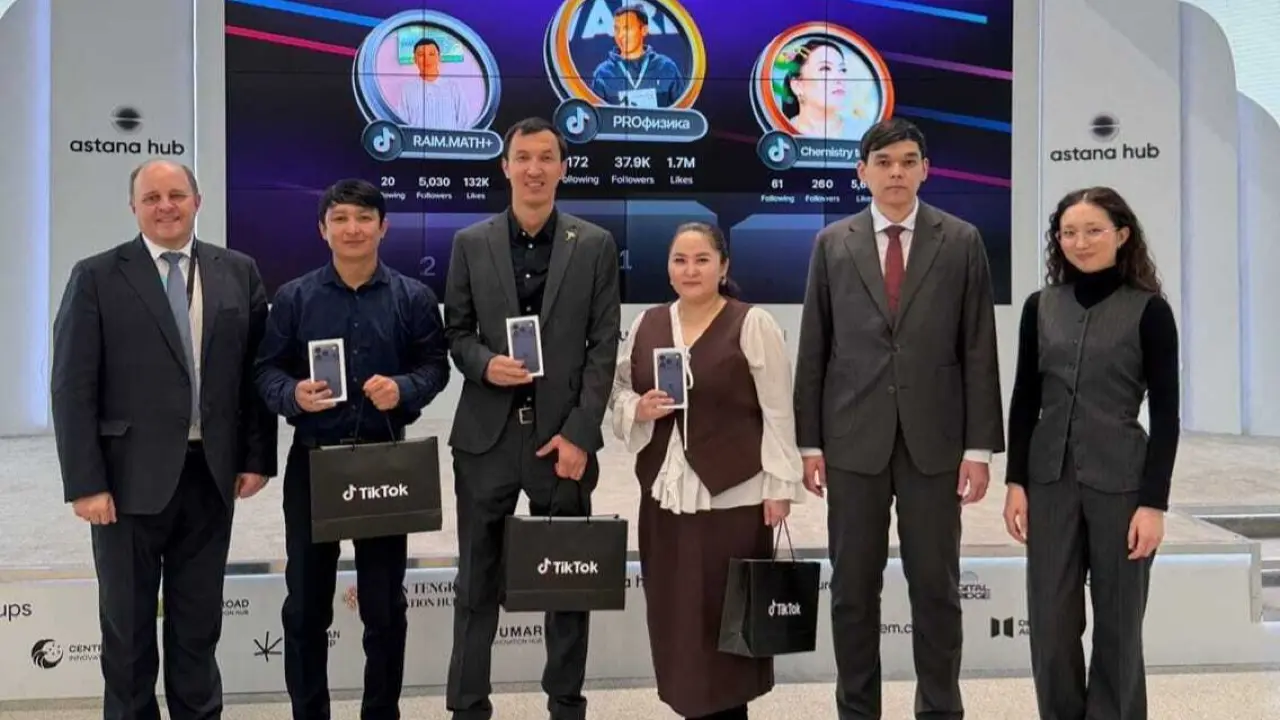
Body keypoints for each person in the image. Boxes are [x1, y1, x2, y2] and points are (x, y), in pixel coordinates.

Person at [49, 159, 277, 720]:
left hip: (211, 476)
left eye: (176, 194)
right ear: (134, 207)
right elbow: (72, 386)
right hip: (125, 482)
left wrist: (256, 457)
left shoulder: (239, 271)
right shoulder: (96, 275)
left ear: (198, 201)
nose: (165, 206)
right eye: (151, 198)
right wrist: (85, 483)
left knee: (198, 625)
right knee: (127, 631)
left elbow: (256, 371)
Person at [793, 117, 1004, 720]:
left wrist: (979, 449)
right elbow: (815, 347)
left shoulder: (960, 240)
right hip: (851, 442)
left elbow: (978, 347)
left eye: (908, 162)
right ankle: (857, 710)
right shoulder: (832, 243)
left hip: (934, 445)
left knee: (936, 588)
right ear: (862, 171)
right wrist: (809, 444)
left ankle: (940, 709)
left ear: (925, 170)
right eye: (883, 163)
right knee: (853, 591)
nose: (896, 173)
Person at [443, 116, 621, 720]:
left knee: (568, 583)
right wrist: (484, 365)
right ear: (506, 167)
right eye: (523, 157)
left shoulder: (594, 244)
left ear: (563, 168)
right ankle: (468, 707)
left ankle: (566, 706)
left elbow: (604, 346)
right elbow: (457, 332)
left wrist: (580, 435)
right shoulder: (470, 242)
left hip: (561, 442)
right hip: (485, 440)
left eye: (547, 157)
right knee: (475, 584)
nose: (535, 168)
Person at [253, 178, 450, 720]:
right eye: (340, 219)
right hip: (314, 462)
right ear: (323, 229)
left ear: (383, 227)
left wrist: (404, 389)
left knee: (384, 608)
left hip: (385, 462)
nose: (353, 229)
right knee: (305, 606)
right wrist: (292, 394)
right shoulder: (294, 298)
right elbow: (266, 370)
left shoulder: (414, 297)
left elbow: (435, 366)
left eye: (364, 218)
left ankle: (380, 712)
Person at [609, 222, 806, 720]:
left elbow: (778, 411)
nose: (690, 270)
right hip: (665, 499)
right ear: (668, 268)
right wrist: (638, 408)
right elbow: (618, 392)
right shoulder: (647, 324)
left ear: (723, 266)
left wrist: (779, 488)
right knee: (677, 619)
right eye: (680, 260)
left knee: (726, 621)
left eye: (702, 260)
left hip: (733, 499)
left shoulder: (752, 323)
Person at [1002, 187, 1179, 720]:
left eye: (1093, 230)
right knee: (1050, 623)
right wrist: (1015, 482)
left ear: (1122, 235)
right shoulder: (1039, 307)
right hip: (1049, 482)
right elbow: (1024, 400)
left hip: (1123, 484)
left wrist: (1154, 504)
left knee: (1119, 625)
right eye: (1069, 232)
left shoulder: (1149, 311)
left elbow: (1167, 414)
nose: (1080, 242)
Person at [588, 5, 685, 109]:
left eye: (627, 28)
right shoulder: (603, 73)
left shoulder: (666, 68)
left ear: (644, 30)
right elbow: (595, 115)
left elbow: (683, 112)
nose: (620, 35)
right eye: (616, 29)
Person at [398, 37, 471, 130]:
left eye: (431, 54)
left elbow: (464, 123)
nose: (427, 59)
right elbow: (402, 124)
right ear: (415, 60)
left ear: (439, 57)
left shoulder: (453, 87)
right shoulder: (407, 89)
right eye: (421, 55)